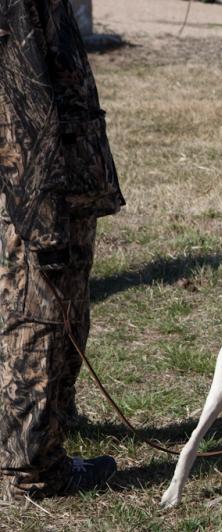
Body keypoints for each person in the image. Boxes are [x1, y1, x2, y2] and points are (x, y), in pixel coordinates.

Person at [0, 0, 125, 500]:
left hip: (60, 183)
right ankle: (33, 469)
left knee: (63, 311)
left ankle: (52, 423)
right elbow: (24, 106)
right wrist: (44, 217)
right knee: (39, 316)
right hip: (40, 190)